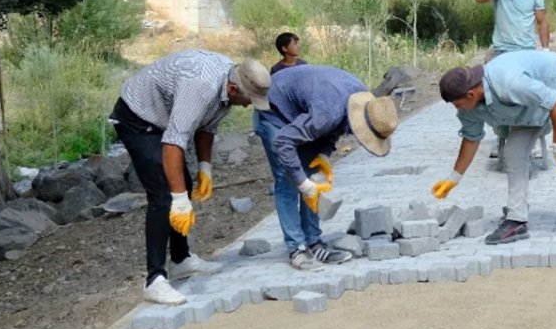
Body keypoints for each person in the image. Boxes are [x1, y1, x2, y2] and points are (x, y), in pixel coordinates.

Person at [110, 50, 271, 305]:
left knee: (181, 185)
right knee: (164, 195)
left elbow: (206, 127)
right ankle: (154, 281)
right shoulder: (201, 87)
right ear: (233, 89)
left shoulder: (229, 84)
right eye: (249, 99)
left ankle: (181, 260)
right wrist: (179, 200)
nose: (248, 105)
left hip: (164, 118)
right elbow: (174, 142)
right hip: (138, 117)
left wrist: (205, 167)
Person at [433, 51, 556, 246]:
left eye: (457, 104)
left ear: (471, 94)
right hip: (530, 108)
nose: (458, 108)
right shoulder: (469, 107)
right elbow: (471, 139)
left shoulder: (509, 83)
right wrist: (453, 178)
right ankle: (516, 220)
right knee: (513, 154)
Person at [255, 65, 400, 271]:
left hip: (307, 108)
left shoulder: (361, 101)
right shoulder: (326, 113)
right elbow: (283, 143)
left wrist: (323, 154)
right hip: (274, 110)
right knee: (288, 179)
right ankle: (297, 248)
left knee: (313, 175)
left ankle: (313, 242)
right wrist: (303, 184)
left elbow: (338, 125)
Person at [474, 0, 549, 160]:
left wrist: (545, 50)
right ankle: (501, 138)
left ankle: (531, 139)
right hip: (502, 52)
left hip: (526, 53)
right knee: (496, 98)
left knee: (529, 94)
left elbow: (542, 22)